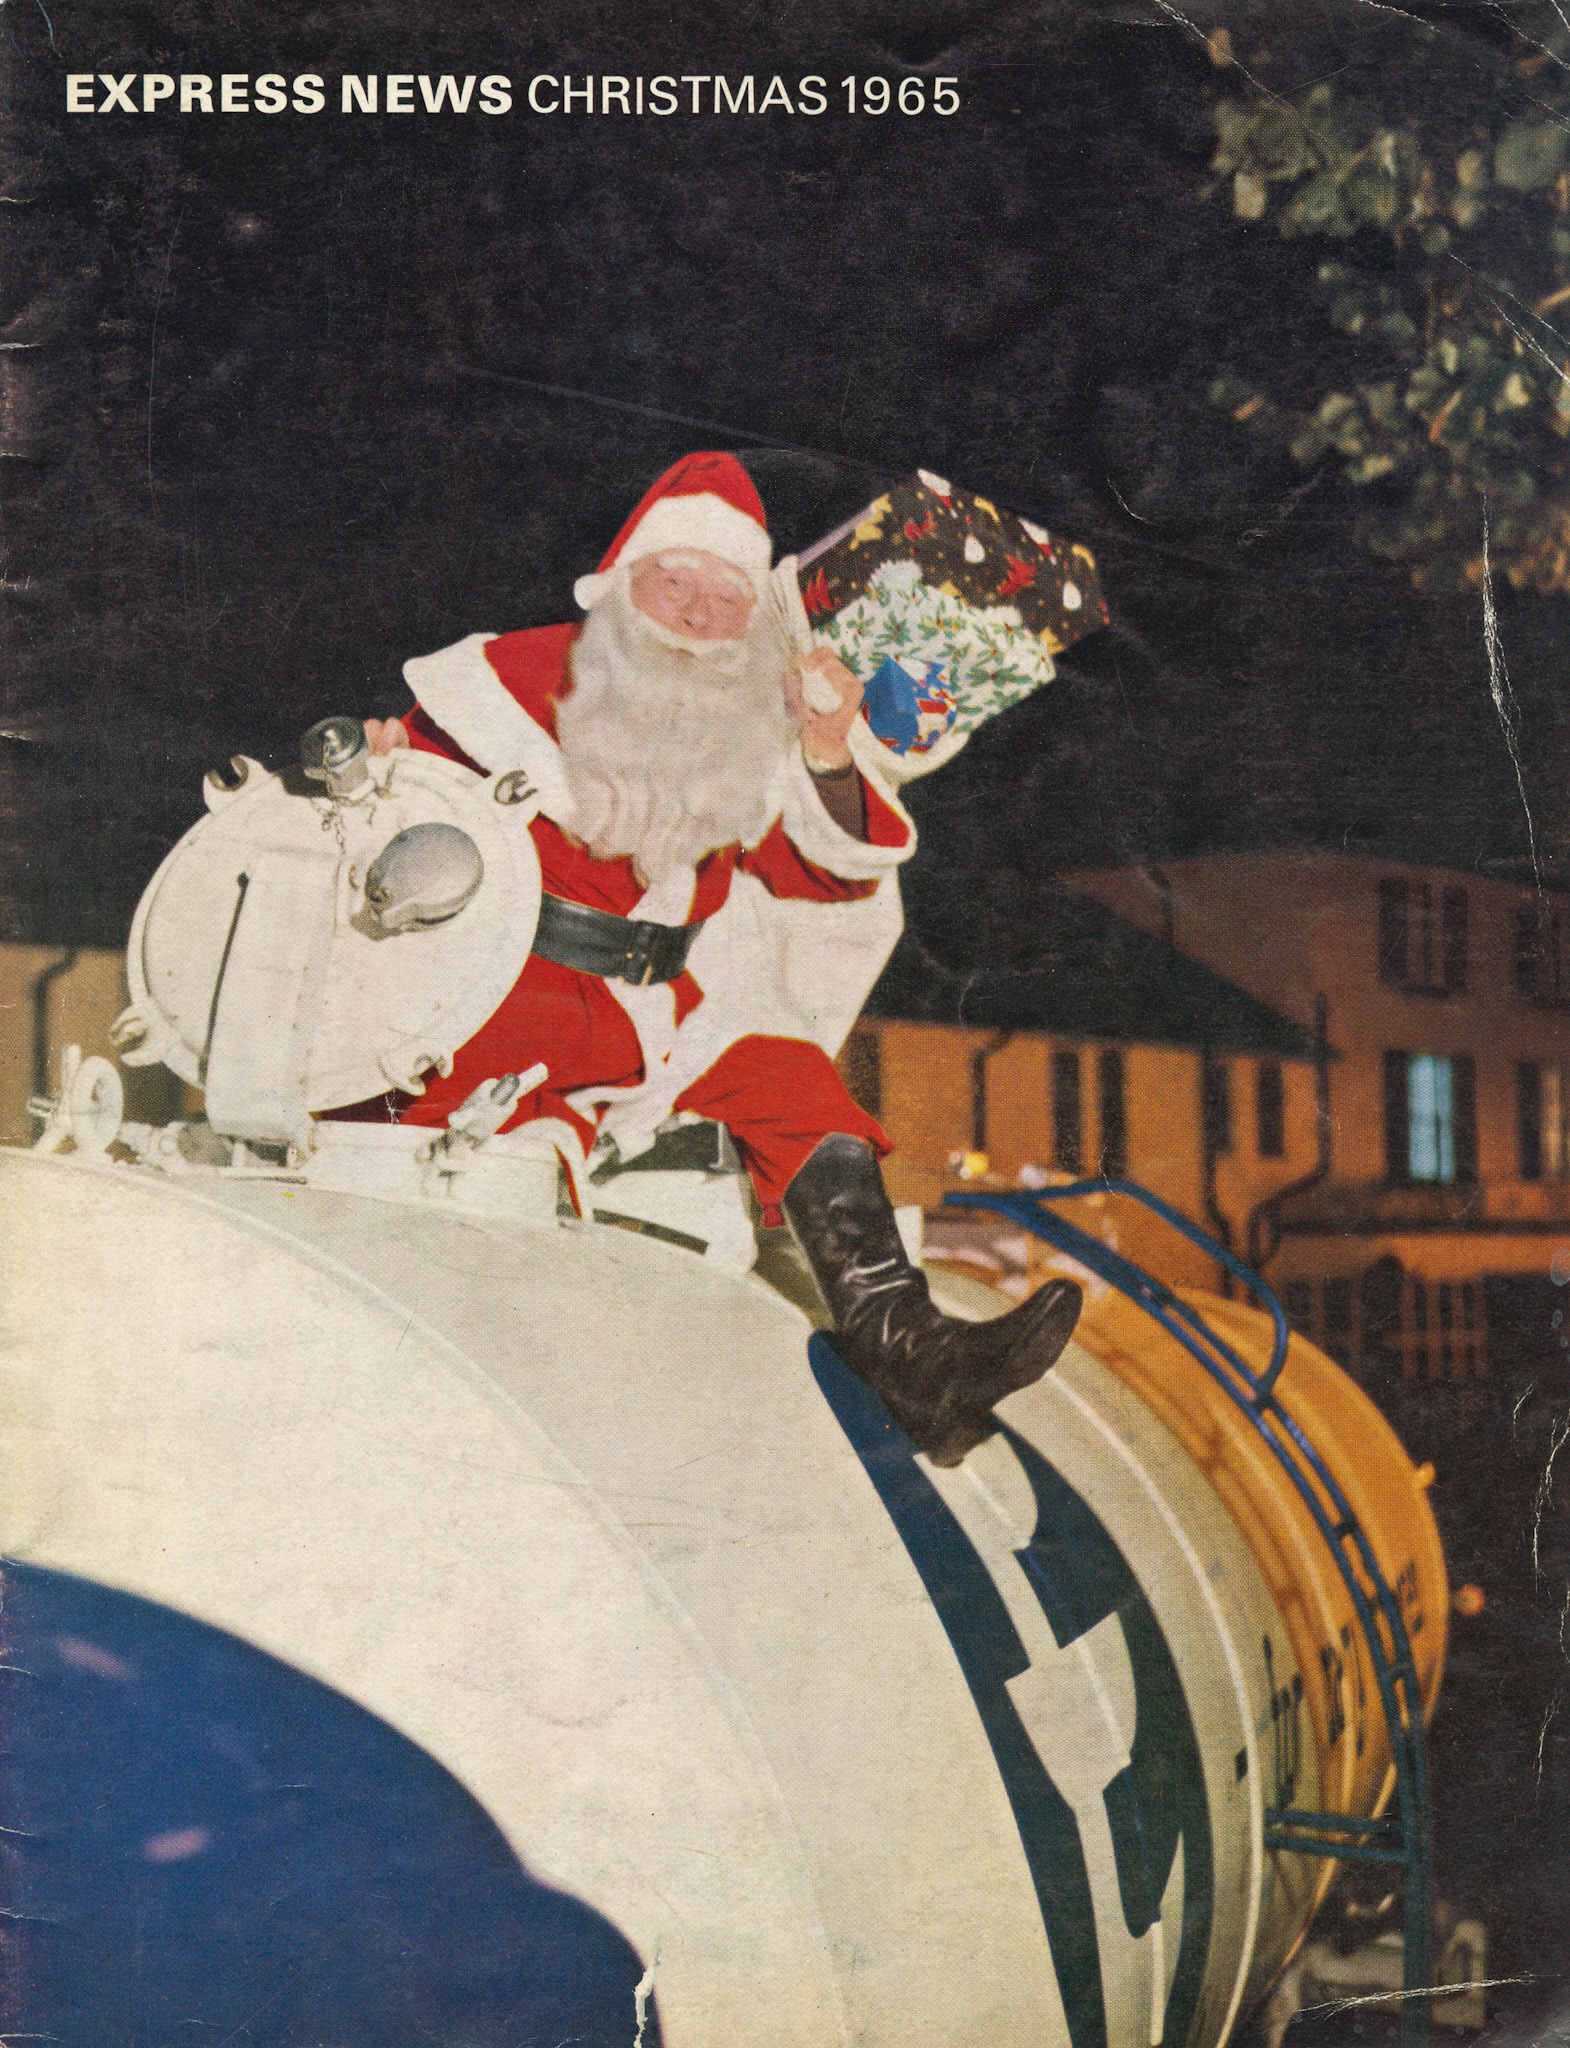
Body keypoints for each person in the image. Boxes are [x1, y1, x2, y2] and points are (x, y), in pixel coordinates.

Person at [360, 452, 1079, 1463]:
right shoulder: (505, 685)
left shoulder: (751, 725)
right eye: (675, 582)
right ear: (618, 588)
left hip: (651, 1012)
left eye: (727, 595)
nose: (699, 614)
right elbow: (389, 825)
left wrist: (829, 752)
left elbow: (824, 876)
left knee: (787, 1076)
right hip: (499, 1010)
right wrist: (387, 762)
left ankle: (912, 1353)